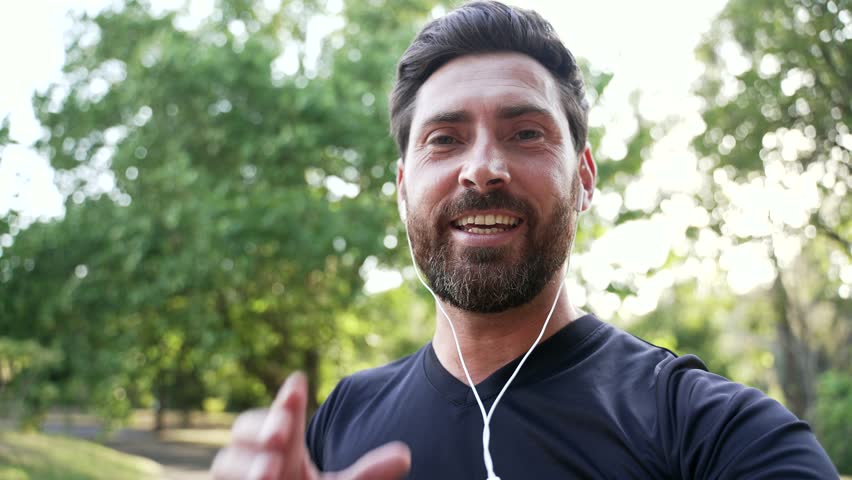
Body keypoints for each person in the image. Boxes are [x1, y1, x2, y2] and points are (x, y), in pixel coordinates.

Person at [211, 2, 838, 479]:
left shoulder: (710, 430)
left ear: (584, 178)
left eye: (526, 132)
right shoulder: (338, 420)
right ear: (404, 188)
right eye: (445, 138)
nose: (482, 168)